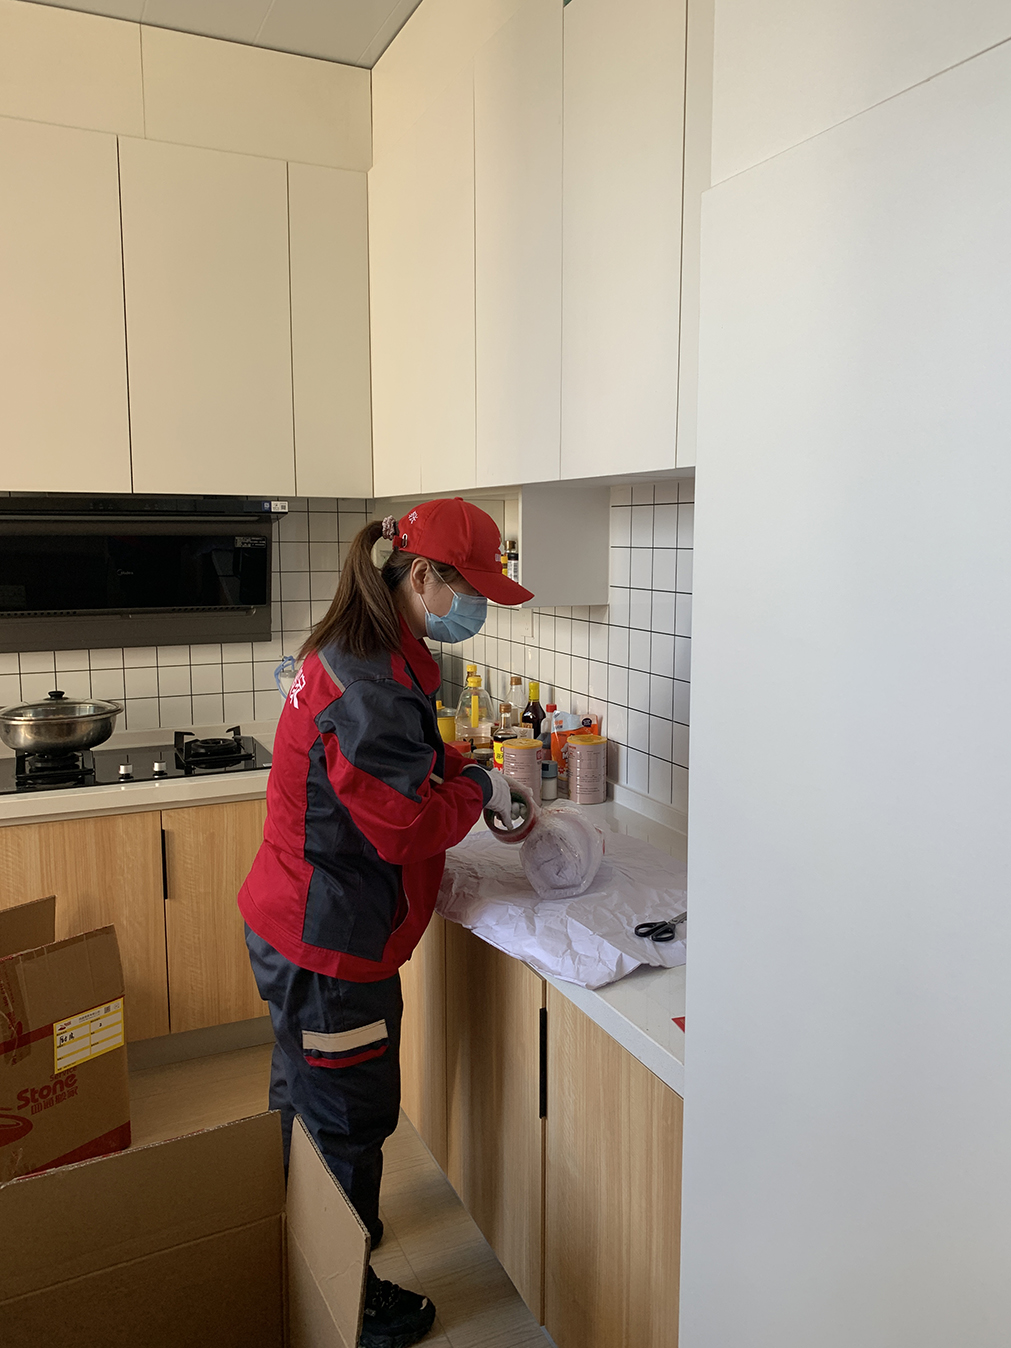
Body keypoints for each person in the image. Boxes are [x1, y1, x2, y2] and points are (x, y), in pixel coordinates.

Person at [239, 497, 533, 1348]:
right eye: (467, 588)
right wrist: (478, 791)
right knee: (347, 1120)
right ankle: (348, 1300)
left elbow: (394, 759)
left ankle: (305, 1240)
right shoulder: (367, 676)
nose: (471, 608)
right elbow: (402, 827)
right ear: (424, 575)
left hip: (294, 920)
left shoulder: (369, 647)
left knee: (303, 1096)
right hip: (330, 945)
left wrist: (461, 767)